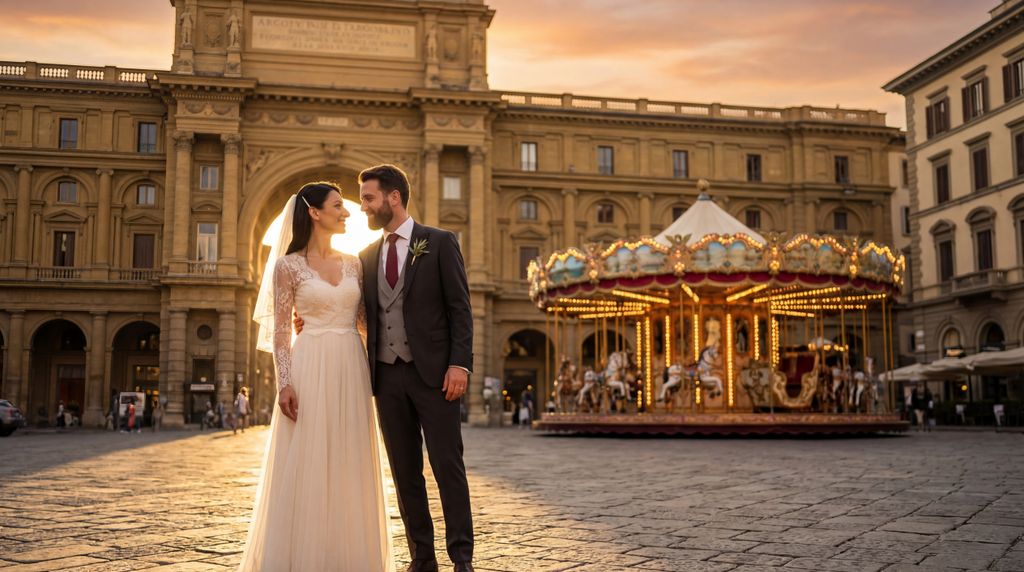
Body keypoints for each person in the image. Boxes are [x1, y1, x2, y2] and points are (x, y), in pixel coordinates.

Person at [294, 165, 476, 572]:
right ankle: (422, 558)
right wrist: (310, 316)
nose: (363, 208)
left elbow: (460, 310)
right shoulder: (365, 258)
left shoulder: (440, 243)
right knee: (405, 471)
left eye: (369, 199)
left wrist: (459, 364)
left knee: (448, 466)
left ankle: (462, 558)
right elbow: (359, 312)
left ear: (393, 197)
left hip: (436, 375)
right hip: (385, 376)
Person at [240, 182, 394, 571]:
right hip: (308, 366)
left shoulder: (354, 263)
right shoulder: (287, 266)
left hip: (349, 366)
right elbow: (279, 331)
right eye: (339, 206)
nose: (347, 213)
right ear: (314, 212)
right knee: (307, 459)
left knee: (349, 460)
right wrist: (284, 383)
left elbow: (364, 324)